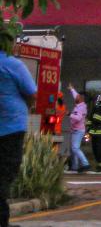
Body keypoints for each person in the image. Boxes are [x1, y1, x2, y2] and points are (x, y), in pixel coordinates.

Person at [1, 49, 38, 227]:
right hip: (10, 128)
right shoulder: (11, 64)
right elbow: (32, 93)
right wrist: (27, 106)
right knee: (5, 175)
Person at [67, 84, 90, 174]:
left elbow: (78, 118)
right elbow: (75, 95)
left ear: (81, 98)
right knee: (74, 148)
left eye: (78, 96)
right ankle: (75, 166)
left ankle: (85, 163)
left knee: (75, 148)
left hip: (78, 131)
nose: (76, 96)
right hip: (76, 130)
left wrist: (69, 114)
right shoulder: (80, 104)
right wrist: (72, 89)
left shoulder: (81, 108)